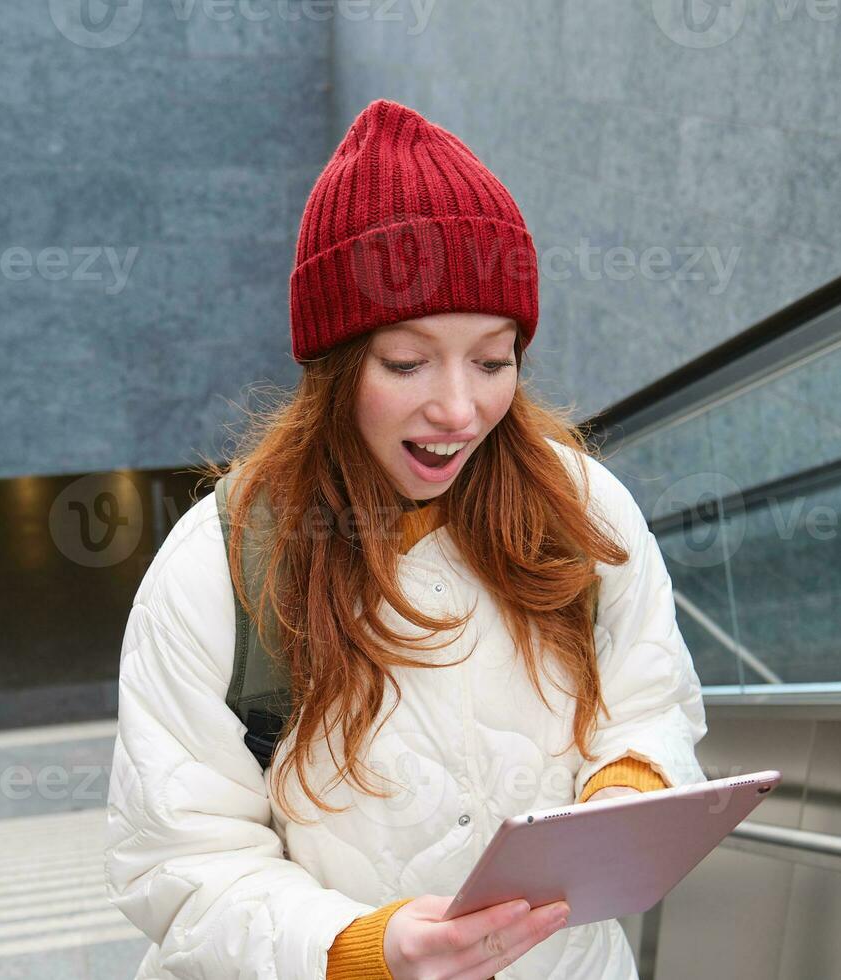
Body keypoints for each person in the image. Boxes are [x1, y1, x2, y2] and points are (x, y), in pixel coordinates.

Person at [104, 99, 709, 979]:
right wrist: (365, 951)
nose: (460, 409)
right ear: (336, 366)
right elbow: (180, 868)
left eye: (493, 360)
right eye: (406, 363)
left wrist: (628, 790)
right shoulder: (218, 567)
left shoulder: (584, 509)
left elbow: (652, 702)